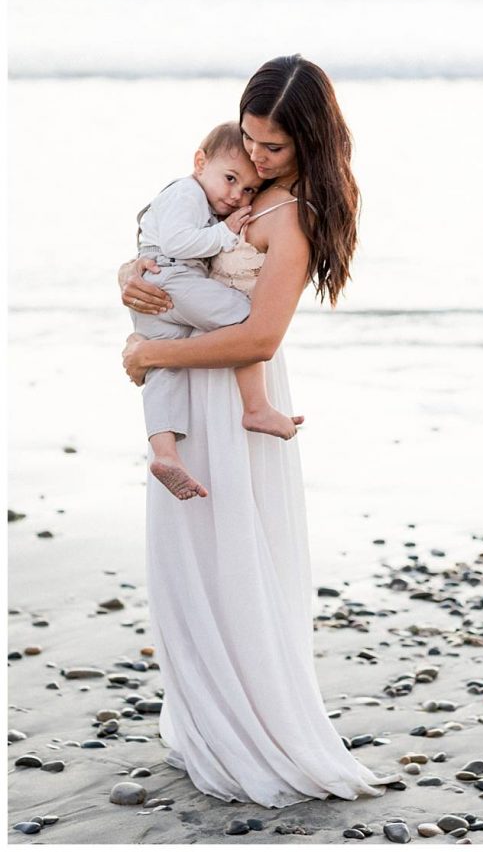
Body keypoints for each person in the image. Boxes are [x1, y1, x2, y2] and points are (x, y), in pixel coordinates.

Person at [119, 55, 402, 808]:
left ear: (311, 139)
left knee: (234, 563)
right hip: (193, 379)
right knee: (189, 568)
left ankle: (254, 730)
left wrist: (150, 351)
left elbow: (257, 338)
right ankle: (206, 720)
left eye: (272, 147)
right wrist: (130, 272)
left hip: (228, 393)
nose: (255, 158)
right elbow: (171, 246)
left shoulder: (295, 215)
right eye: (248, 139)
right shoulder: (243, 189)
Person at [131, 121, 303, 502]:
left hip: (165, 289)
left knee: (164, 373)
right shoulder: (188, 192)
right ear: (198, 162)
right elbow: (177, 242)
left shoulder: (202, 195)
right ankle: (255, 407)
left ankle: (165, 453)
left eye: (247, 190)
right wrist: (225, 232)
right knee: (243, 314)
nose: (236, 196)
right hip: (174, 279)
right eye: (230, 179)